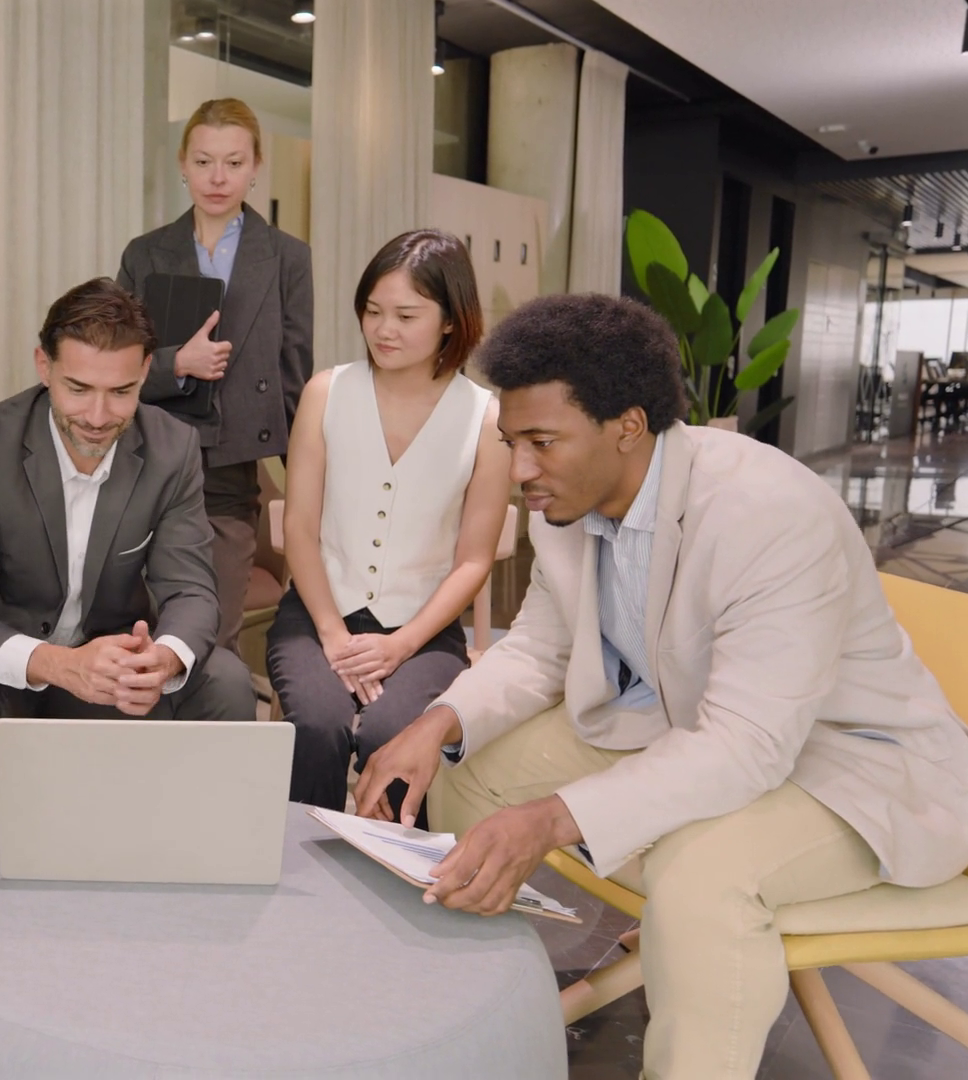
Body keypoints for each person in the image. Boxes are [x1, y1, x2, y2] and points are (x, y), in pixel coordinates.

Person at [354, 293, 968, 1079]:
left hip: (852, 768)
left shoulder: (768, 513)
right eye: (512, 443)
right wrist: (437, 722)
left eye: (543, 442)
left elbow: (748, 747)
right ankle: (487, 1010)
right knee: (470, 770)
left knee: (700, 878)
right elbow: (540, 649)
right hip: (687, 730)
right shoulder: (562, 503)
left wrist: (552, 819)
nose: (521, 471)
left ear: (629, 426)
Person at [0, 278, 258, 835]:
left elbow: (191, 589)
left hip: (111, 664)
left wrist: (162, 660)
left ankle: (202, 858)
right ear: (43, 367)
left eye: (121, 392)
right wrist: (59, 665)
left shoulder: (173, 448)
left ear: (146, 371)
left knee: (227, 681)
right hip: (1, 664)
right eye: (78, 388)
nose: (97, 415)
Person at [267, 230, 509, 815]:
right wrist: (333, 636)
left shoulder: (486, 418)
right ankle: (299, 856)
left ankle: (392, 862)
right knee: (318, 723)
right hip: (317, 615)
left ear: (450, 320)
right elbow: (299, 528)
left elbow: (474, 560)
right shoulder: (326, 392)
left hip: (424, 630)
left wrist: (401, 645)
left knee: (393, 732)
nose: (383, 329)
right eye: (373, 311)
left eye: (406, 315)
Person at [116, 98, 313, 655]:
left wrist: (308, 483)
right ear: (183, 164)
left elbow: (294, 376)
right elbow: (115, 363)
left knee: (213, 638)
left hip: (231, 473)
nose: (218, 178)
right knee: (145, 632)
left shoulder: (288, 258)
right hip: (148, 466)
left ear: (256, 166)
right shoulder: (145, 254)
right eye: (204, 162)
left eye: (233, 162)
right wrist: (177, 363)